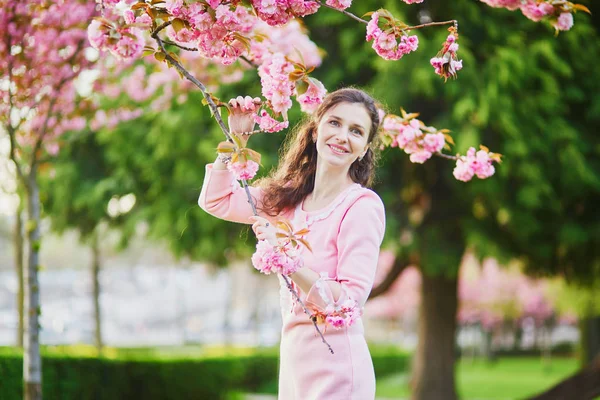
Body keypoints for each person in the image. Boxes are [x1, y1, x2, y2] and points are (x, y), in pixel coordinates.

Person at [198, 88, 386, 400]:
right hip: (295, 365)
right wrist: (235, 143)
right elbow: (216, 201)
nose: (342, 136)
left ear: (365, 148)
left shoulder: (362, 206)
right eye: (334, 123)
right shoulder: (287, 200)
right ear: (316, 130)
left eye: (356, 131)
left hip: (338, 370)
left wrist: (286, 258)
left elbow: (348, 302)